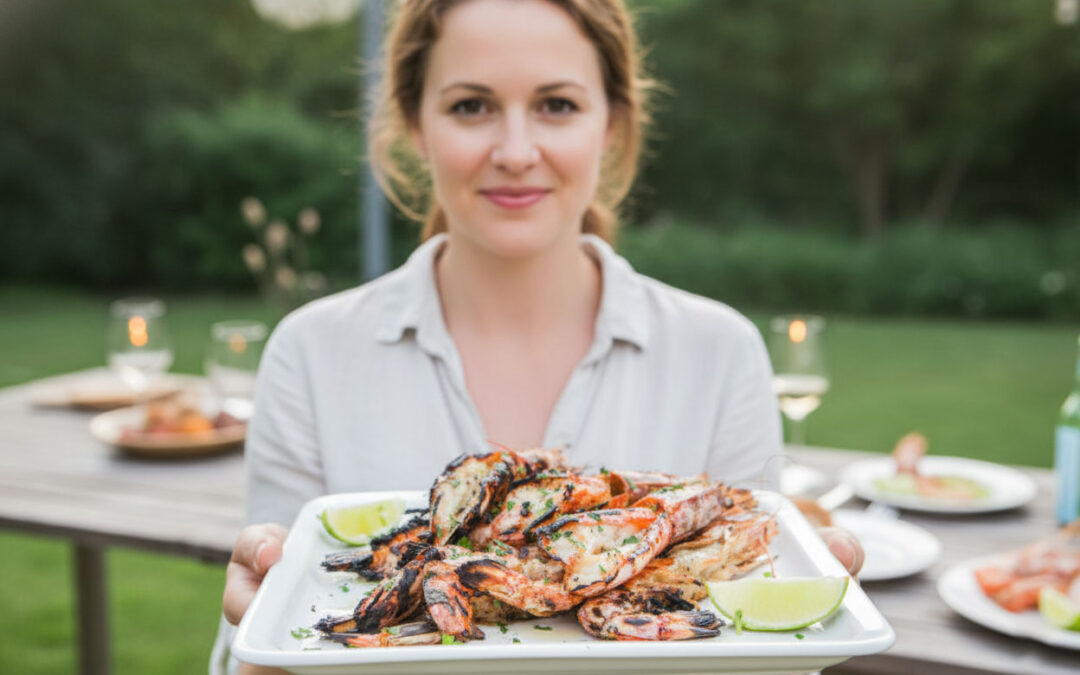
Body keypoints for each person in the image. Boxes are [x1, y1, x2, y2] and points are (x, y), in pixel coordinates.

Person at [216, 0, 863, 671]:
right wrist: (262, 649)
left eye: (556, 104)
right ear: (414, 123)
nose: (516, 152)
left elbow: (749, 629)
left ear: (612, 122)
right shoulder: (310, 352)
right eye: (471, 106)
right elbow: (278, 628)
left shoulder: (721, 352)